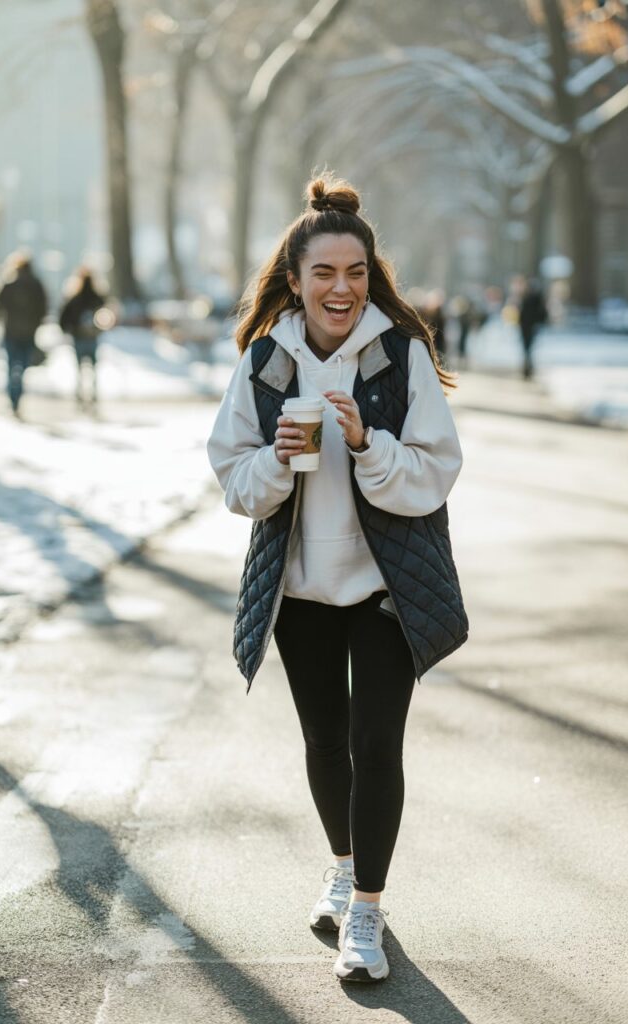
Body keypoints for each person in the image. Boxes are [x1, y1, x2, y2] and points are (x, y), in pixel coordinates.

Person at [207, 174, 468, 984]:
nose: (342, 288)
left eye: (355, 272)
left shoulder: (401, 353)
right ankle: (344, 862)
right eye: (324, 272)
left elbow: (435, 474)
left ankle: (367, 910)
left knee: (374, 742)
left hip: (389, 585)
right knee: (325, 741)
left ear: (369, 275)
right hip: (301, 588)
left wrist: (368, 447)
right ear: (295, 278)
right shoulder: (264, 359)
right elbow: (233, 478)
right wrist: (278, 462)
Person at [0, 254, 48, 416]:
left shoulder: (9, 284)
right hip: (29, 332)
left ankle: (13, 394)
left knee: (12, 364)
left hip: (11, 331)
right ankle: (18, 393)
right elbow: (43, 308)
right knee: (24, 365)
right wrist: (37, 323)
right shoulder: (37, 285)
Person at [59, 268, 108, 407]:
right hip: (92, 337)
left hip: (78, 336)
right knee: (93, 366)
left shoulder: (75, 297)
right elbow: (106, 315)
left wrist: (66, 329)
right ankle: (93, 393)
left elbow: (64, 317)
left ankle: (80, 392)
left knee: (79, 367)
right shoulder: (98, 298)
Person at [518, 278, 548, 380]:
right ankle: (527, 366)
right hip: (525, 326)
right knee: (527, 347)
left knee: (529, 347)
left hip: (531, 325)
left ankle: (528, 367)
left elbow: (542, 312)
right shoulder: (525, 297)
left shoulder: (535, 298)